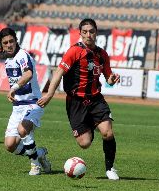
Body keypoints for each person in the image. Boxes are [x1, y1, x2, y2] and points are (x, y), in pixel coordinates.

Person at [37, 18, 121, 180]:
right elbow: (58, 73)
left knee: (108, 133)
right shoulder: (74, 51)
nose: (88, 35)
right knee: (85, 143)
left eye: (91, 31)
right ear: (80, 33)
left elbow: (108, 77)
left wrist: (112, 79)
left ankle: (110, 169)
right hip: (76, 103)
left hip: (96, 100)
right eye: (85, 32)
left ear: (96, 32)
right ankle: (90, 125)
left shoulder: (102, 54)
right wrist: (49, 94)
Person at [0, 27, 51, 176]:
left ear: (16, 41)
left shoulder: (22, 55)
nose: (9, 45)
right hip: (17, 108)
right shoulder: (8, 61)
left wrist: (13, 88)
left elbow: (28, 74)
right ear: (1, 45)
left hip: (34, 104)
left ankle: (35, 165)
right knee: (10, 145)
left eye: (11, 41)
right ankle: (39, 153)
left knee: (23, 130)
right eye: (5, 43)